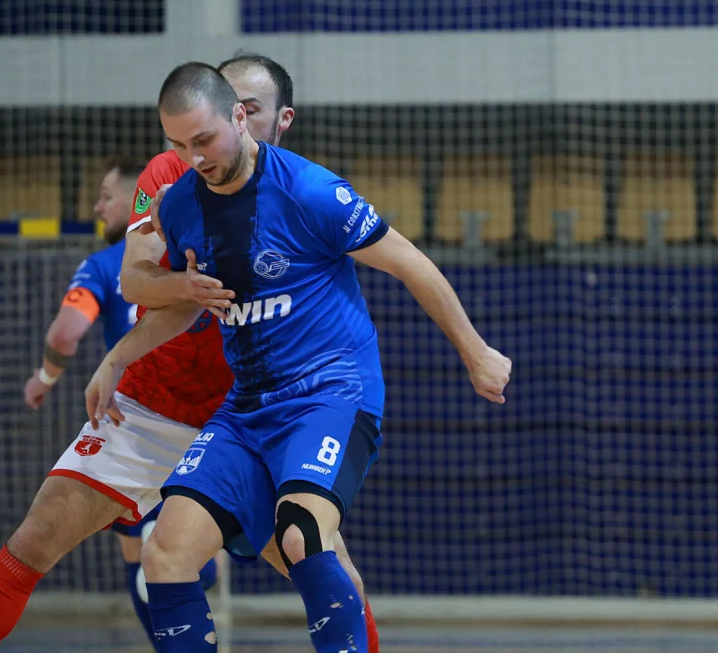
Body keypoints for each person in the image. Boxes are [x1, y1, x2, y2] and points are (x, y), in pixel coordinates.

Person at [0, 54, 371, 653]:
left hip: (247, 421)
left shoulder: (304, 195)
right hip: (150, 404)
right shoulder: (169, 175)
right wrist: (165, 307)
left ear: (278, 119)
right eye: (224, 102)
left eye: (249, 107)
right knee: (36, 537)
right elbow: (135, 282)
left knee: (321, 565)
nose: (232, 118)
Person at [89, 62, 511, 653]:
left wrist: (476, 350)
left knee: (302, 536)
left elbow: (410, 262)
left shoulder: (310, 191)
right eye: (179, 146)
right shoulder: (180, 205)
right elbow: (186, 305)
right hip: (246, 407)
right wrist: (116, 359)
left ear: (240, 117)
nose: (194, 157)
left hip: (329, 393)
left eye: (204, 139)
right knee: (164, 553)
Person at [20, 157, 219, 646]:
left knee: (143, 561)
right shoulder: (205, 248)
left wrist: (45, 376)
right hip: (215, 415)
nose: (97, 206)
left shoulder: (105, 265)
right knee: (200, 544)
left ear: (137, 199)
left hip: (139, 419)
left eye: (106, 196)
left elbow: (66, 333)